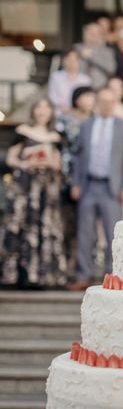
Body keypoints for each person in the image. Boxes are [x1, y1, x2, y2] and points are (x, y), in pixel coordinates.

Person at [69, 87, 123, 290]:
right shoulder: (87, 125)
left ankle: (113, 274)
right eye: (103, 101)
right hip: (89, 184)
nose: (106, 105)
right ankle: (84, 274)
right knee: (85, 232)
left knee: (113, 233)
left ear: (114, 103)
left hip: (112, 187)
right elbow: (78, 157)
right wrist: (76, 183)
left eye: (110, 101)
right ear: (97, 103)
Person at [0, 99, 67, 288]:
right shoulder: (22, 132)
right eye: (39, 107)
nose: (42, 112)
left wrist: (49, 163)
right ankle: (15, 275)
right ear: (33, 111)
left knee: (44, 227)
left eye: (46, 108)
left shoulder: (56, 137)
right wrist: (25, 164)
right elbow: (11, 158)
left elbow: (59, 163)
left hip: (47, 187)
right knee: (20, 224)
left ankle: (41, 276)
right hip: (25, 186)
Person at [57, 87, 96, 273]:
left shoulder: (97, 119)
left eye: (91, 96)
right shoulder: (66, 119)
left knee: (86, 223)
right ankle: (66, 265)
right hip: (69, 173)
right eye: (85, 96)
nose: (88, 100)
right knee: (68, 219)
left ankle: (80, 264)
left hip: (91, 175)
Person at [48, 49, 92, 115]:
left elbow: (87, 98)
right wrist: (63, 106)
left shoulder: (85, 80)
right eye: (69, 60)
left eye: (74, 60)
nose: (72, 63)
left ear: (79, 61)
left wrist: (74, 109)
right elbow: (52, 96)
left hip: (79, 113)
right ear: (64, 61)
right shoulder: (56, 77)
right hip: (59, 112)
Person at [74, 22, 117, 89]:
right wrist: (81, 57)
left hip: (100, 87)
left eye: (96, 33)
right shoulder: (76, 48)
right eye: (90, 33)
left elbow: (111, 69)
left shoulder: (107, 51)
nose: (93, 35)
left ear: (101, 35)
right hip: (78, 86)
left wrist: (91, 57)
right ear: (84, 34)